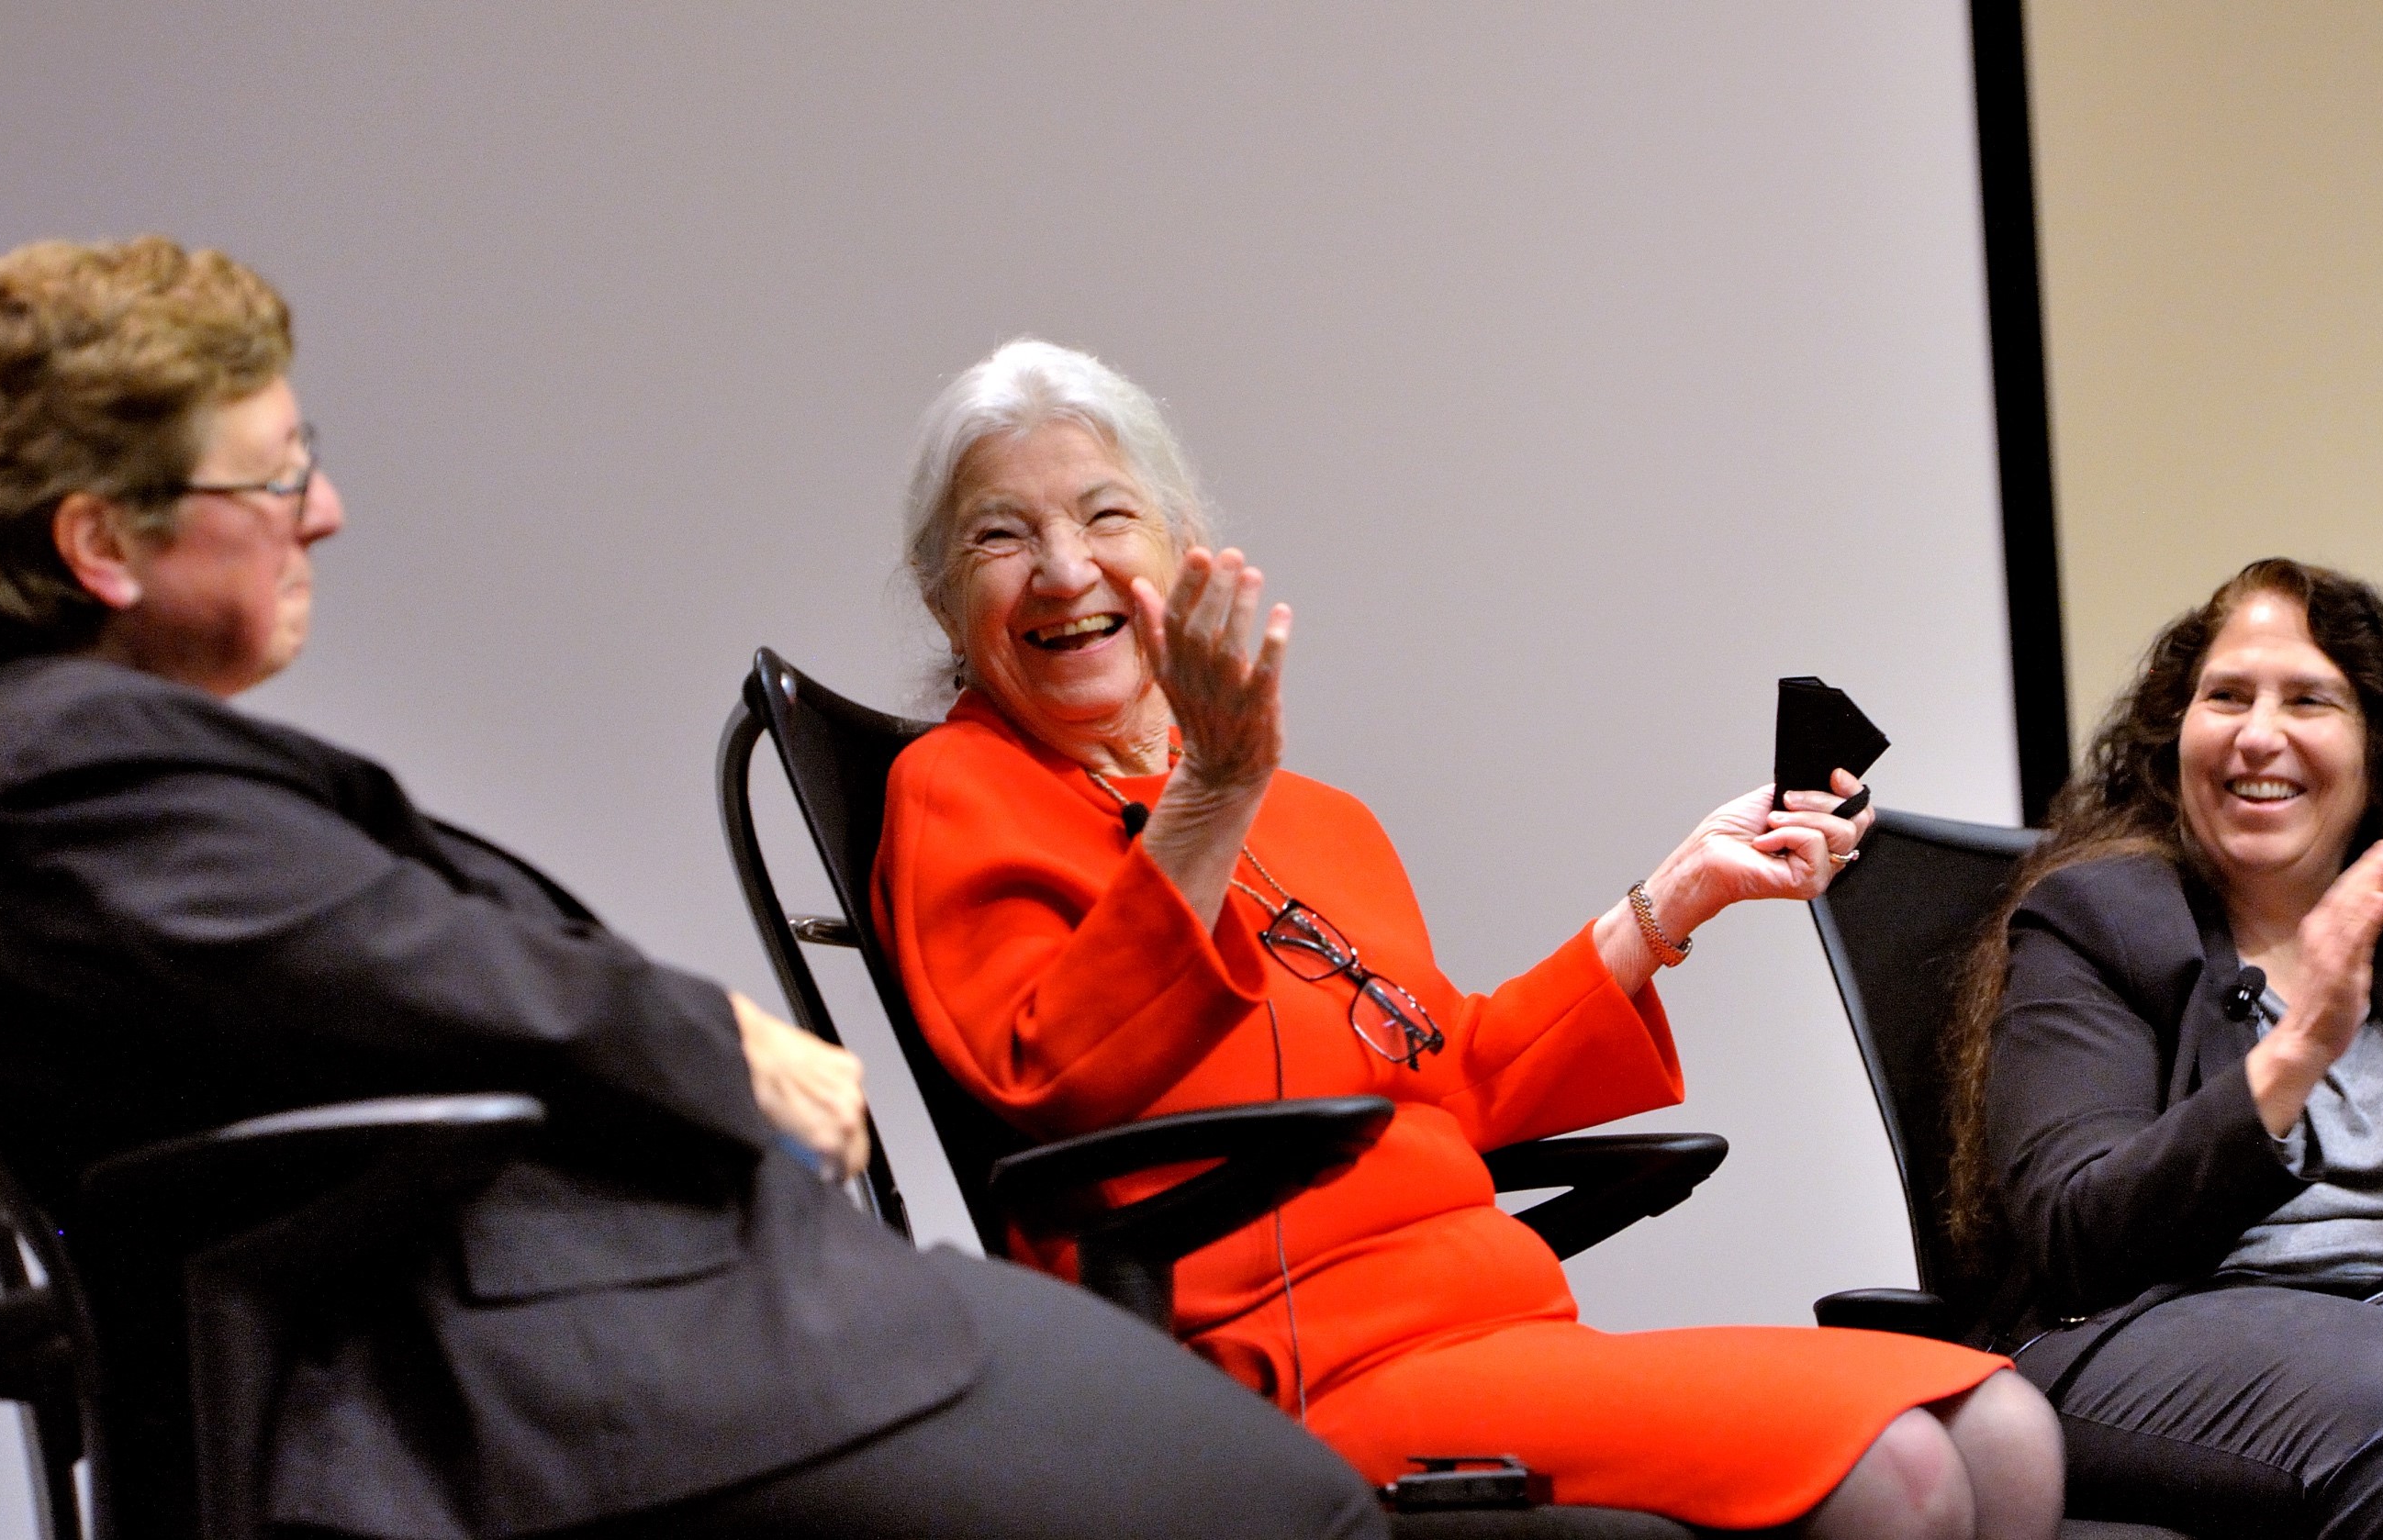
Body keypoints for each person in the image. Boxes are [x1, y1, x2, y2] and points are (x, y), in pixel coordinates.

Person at [0, 240, 1385, 1540]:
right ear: (98, 543)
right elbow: (409, 960)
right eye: (270, 473)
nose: (321, 506)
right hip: (582, 1376)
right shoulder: (51, 771)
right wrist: (725, 1043)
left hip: (669, 1320)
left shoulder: (73, 760)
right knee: (1293, 1511)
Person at [870, 337, 2066, 1538]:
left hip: (1489, 1321)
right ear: (938, 594)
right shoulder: (956, 792)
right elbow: (1060, 1077)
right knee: (1904, 1472)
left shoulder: (1319, 819)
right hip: (1273, 1374)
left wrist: (1675, 896)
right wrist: (1210, 798)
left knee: (2006, 1428)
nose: (1062, 568)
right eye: (999, 535)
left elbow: (1453, 1076)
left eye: (1104, 515)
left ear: (1182, 550)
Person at [1947, 557, 2383, 1538]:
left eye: (2308, 699)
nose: (2258, 734)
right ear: (2175, 732)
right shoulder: (2096, 921)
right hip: (2161, 1326)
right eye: (2226, 697)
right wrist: (2295, 1051)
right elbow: (2078, 1237)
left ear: (2379, 750)